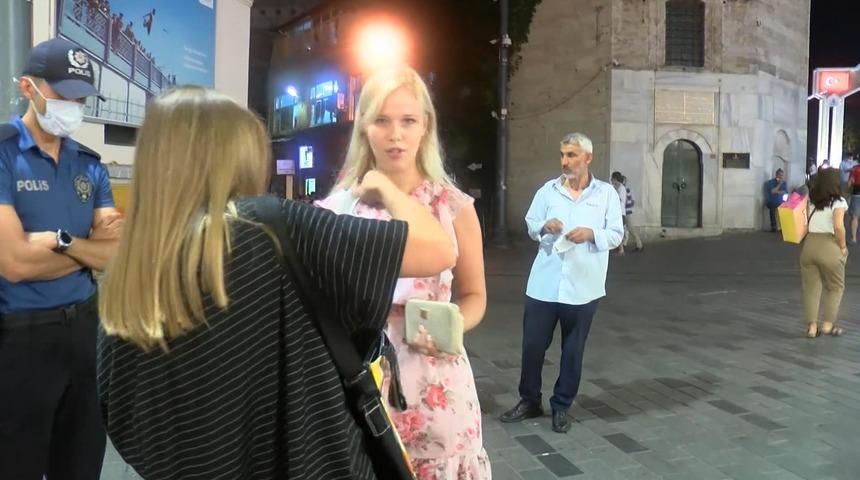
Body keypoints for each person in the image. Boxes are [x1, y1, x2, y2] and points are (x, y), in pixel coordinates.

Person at [97, 85, 457, 480]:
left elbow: (122, 421)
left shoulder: (129, 274)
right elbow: (437, 248)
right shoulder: (273, 227)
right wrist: (385, 186)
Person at [318, 66, 490, 479]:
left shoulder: (454, 207)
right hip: (356, 383)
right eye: (382, 120)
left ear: (425, 126)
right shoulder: (336, 210)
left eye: (408, 120)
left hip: (437, 384)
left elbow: (475, 294)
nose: (396, 134)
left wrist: (454, 327)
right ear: (364, 128)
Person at [0, 38, 119, 480]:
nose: (73, 105)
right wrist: (90, 249)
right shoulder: (4, 154)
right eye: (64, 94)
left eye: (81, 97)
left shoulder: (89, 165)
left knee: (81, 461)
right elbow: (14, 263)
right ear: (29, 87)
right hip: (21, 338)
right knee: (19, 464)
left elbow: (117, 254)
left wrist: (61, 241)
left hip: (87, 331)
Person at [500, 132, 623, 434]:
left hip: (584, 287)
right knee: (532, 347)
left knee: (573, 350)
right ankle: (529, 400)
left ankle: (561, 406)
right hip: (544, 283)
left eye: (572, 155)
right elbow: (530, 225)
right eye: (563, 155)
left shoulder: (606, 194)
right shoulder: (548, 191)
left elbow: (617, 234)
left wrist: (592, 233)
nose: (565, 161)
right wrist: (544, 225)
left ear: (588, 158)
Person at [802, 167, 848, 338]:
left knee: (811, 288)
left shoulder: (812, 200)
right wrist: (842, 246)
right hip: (829, 245)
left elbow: (804, 224)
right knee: (835, 286)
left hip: (809, 245)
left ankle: (812, 328)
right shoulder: (838, 202)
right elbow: (838, 227)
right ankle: (827, 325)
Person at [848, 160, 860, 245]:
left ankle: (854, 238)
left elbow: (850, 183)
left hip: (856, 194)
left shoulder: (855, 169)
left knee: (855, 217)